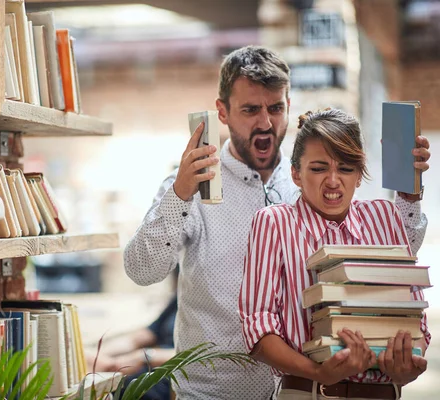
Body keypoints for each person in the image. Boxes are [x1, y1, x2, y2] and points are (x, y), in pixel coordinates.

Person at [123, 46, 431, 399]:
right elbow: (141, 270)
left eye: (276, 108)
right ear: (222, 111)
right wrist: (180, 193)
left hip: (301, 390)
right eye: (251, 110)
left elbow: (391, 257)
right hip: (212, 393)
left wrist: (410, 191)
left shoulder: (314, 176)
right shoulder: (192, 187)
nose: (266, 123)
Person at [239, 108, 430, 399]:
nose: (332, 180)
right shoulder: (274, 223)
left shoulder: (384, 216)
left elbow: (414, 316)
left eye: (345, 168)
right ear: (296, 174)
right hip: (310, 392)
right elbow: (257, 325)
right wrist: (318, 372)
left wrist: (408, 365)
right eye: (318, 168)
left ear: (359, 174)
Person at [86, 295, 177, 400]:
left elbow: (195, 355)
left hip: (168, 380)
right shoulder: (184, 294)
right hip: (139, 372)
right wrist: (97, 355)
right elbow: (140, 337)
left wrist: (144, 357)